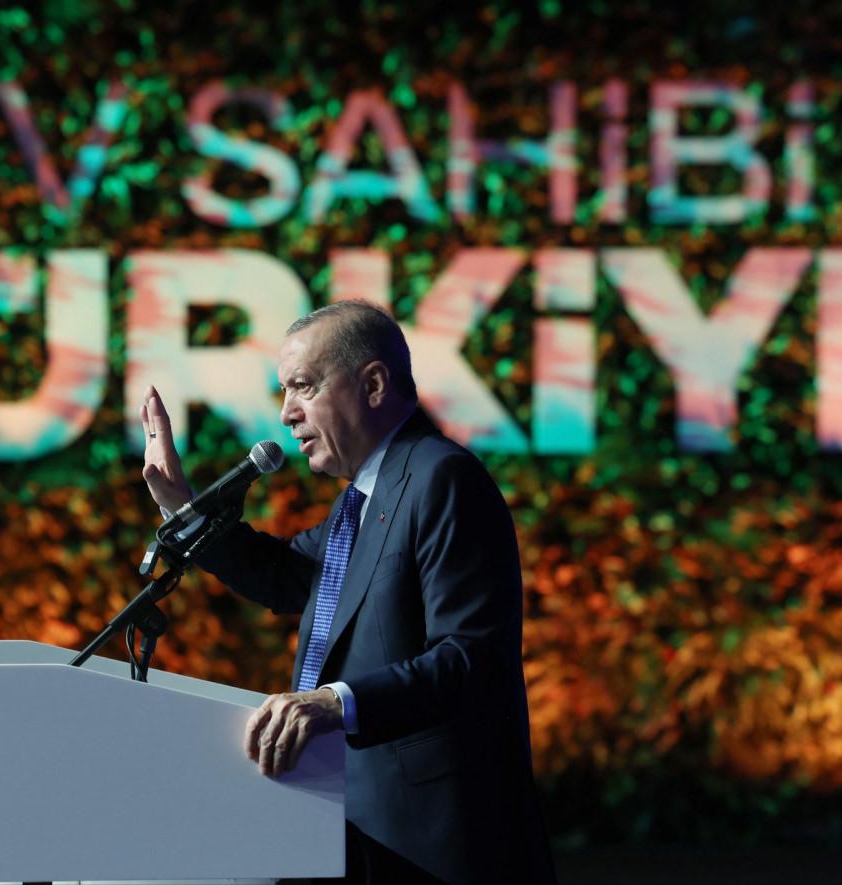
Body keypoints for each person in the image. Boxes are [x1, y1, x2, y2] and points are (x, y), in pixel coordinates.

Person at [140, 301, 555, 884]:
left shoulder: (442, 479)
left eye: (303, 387)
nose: (286, 413)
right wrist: (181, 507)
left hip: (434, 849)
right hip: (355, 835)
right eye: (284, 391)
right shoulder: (359, 501)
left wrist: (335, 703)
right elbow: (283, 575)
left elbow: (470, 657)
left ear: (374, 385)